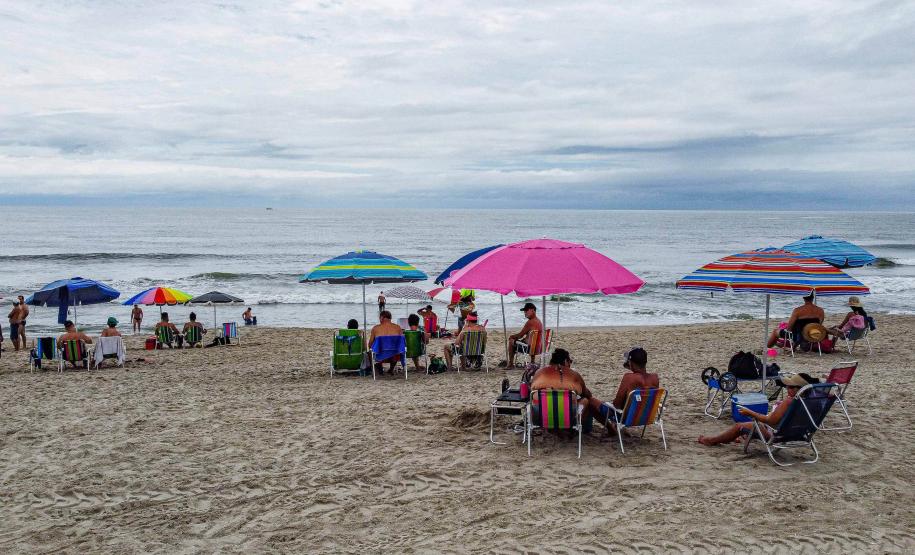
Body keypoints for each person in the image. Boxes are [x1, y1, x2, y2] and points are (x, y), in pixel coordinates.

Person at [698, 374, 809, 446]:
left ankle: (711, 441)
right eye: (787, 386)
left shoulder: (790, 402)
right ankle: (733, 437)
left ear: (799, 389)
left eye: (790, 387)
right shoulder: (810, 402)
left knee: (739, 426)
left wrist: (749, 412)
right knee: (748, 427)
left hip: (778, 435)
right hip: (797, 434)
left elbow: (770, 421)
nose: (787, 388)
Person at [530, 348, 605, 424]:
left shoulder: (540, 373)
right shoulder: (573, 374)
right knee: (585, 401)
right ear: (566, 361)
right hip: (569, 415)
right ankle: (577, 424)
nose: (570, 364)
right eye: (570, 361)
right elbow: (587, 395)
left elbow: (531, 391)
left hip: (540, 414)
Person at [505, 302, 544, 368]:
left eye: (526, 310)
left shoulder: (530, 322)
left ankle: (511, 364)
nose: (525, 312)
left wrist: (512, 336)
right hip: (539, 348)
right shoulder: (539, 321)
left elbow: (520, 335)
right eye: (524, 311)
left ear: (533, 310)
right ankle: (532, 361)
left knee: (511, 341)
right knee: (531, 341)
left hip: (528, 348)